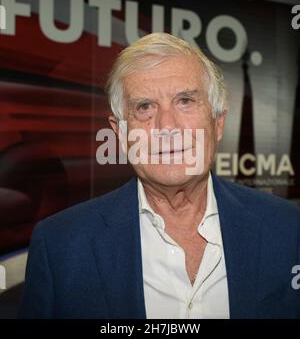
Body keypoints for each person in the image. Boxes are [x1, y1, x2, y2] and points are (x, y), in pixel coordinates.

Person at [19, 33, 300, 319]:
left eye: (185, 101)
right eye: (144, 107)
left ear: (217, 123)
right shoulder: (60, 246)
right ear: (120, 133)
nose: (167, 126)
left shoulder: (289, 230)